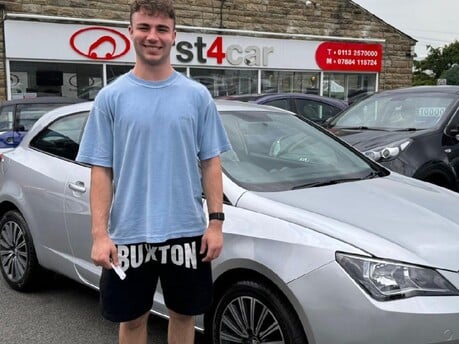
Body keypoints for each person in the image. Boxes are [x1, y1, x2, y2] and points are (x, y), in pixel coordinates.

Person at [76, 0, 231, 343]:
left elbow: (211, 163)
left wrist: (216, 223)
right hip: (129, 232)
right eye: (144, 27)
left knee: (184, 316)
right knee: (131, 320)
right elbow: (101, 170)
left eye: (162, 29)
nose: (153, 36)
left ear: (174, 36)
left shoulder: (197, 97)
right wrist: (100, 234)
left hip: (186, 230)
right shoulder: (110, 98)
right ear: (130, 32)